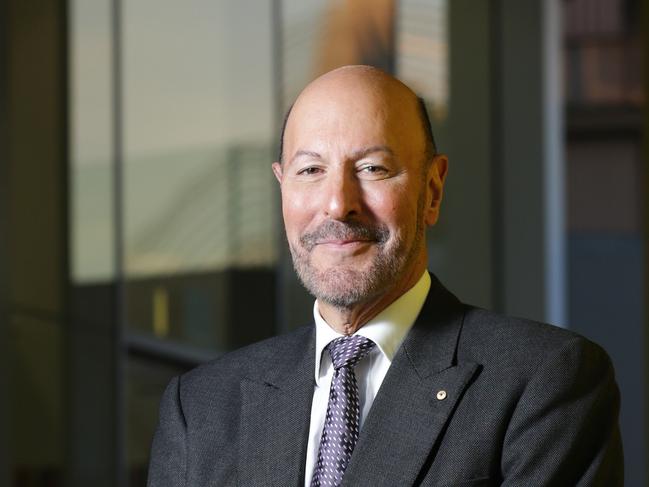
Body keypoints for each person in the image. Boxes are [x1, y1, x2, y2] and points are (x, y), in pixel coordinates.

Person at [147, 65, 623, 486]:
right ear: (282, 188)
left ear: (432, 190)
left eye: (373, 168)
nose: (337, 203)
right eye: (310, 170)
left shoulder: (544, 381)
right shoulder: (200, 406)